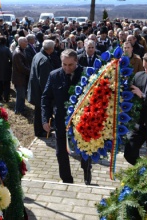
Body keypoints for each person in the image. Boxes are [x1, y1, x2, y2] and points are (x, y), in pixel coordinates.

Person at [41, 49, 92, 184]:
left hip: (83, 122)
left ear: (76, 61)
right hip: (60, 120)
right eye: (64, 64)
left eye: (70, 65)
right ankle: (67, 180)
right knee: (60, 153)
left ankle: (86, 170)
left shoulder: (87, 74)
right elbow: (46, 98)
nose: (67, 68)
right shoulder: (54, 75)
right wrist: (45, 119)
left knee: (85, 150)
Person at [28, 40, 55, 137]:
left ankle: (41, 130)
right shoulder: (44, 60)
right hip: (40, 92)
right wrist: (48, 94)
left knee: (38, 111)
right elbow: (44, 80)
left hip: (35, 89)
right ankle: (40, 131)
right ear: (51, 49)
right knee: (40, 112)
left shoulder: (38, 55)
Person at [12, 37, 30, 114]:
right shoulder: (18, 53)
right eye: (25, 42)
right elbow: (21, 67)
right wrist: (31, 72)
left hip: (22, 77)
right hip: (19, 78)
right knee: (20, 95)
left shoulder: (22, 50)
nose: (27, 43)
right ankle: (18, 110)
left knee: (22, 94)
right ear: (21, 43)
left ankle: (21, 107)